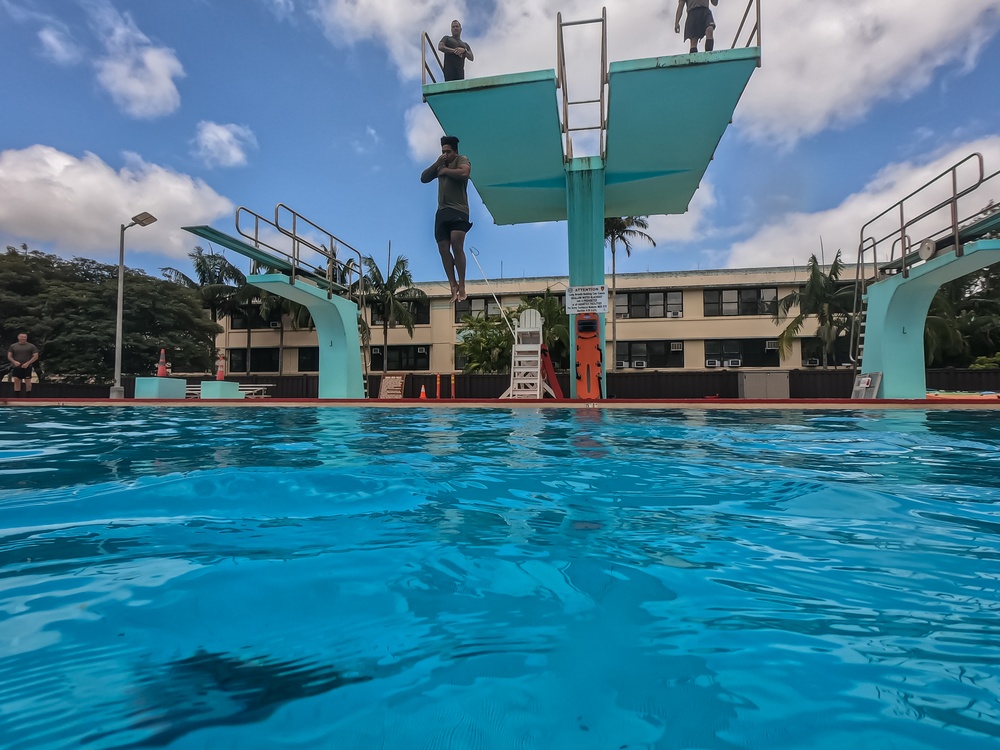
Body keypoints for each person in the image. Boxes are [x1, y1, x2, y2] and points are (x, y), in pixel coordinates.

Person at [421, 135, 473, 303]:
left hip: (459, 209)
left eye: (448, 152)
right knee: (443, 247)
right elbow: (423, 178)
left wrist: (446, 171)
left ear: (455, 152)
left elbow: (465, 172)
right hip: (442, 211)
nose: (445, 155)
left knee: (457, 244)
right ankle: (453, 285)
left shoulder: (461, 160)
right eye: (443, 152)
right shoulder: (440, 165)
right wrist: (438, 165)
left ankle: (463, 285)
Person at [7, 333, 39, 397]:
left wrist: (28, 363)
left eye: (25, 337)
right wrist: (14, 362)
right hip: (16, 366)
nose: (23, 338)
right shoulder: (13, 346)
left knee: (28, 380)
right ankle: (17, 396)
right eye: (22, 337)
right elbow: (9, 356)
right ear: (18, 338)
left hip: (27, 366)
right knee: (16, 380)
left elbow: (36, 356)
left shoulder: (31, 346)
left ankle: (28, 395)